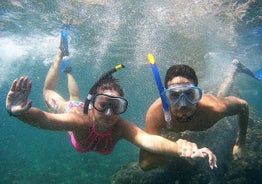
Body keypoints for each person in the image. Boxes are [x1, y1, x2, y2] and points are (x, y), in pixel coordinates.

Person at [5, 35, 217, 169]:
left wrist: (179, 148)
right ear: (93, 105)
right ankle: (60, 55)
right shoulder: (79, 121)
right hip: (72, 110)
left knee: (75, 98)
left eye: (115, 107)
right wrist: (20, 112)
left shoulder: (120, 127)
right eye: (103, 104)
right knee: (53, 94)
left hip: (82, 104)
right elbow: (46, 119)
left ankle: (69, 72)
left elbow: (148, 140)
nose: (108, 113)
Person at [139, 64, 249, 171]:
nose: (183, 105)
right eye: (174, 95)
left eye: (190, 94)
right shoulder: (156, 114)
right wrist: (178, 149)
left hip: (209, 104)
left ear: (198, 95)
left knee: (221, 96)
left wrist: (240, 143)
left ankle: (233, 70)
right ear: (165, 98)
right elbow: (145, 163)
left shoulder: (213, 109)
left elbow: (243, 106)